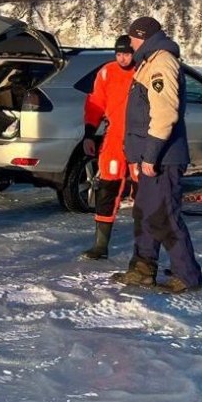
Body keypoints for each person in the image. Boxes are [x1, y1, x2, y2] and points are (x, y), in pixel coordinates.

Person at [112, 16, 202, 294]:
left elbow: (164, 114)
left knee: (165, 215)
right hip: (151, 157)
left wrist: (150, 156)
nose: (130, 43)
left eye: (132, 38)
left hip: (164, 158)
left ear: (142, 37)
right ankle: (142, 269)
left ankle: (187, 276)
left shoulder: (161, 62)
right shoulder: (149, 62)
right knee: (145, 214)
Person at [80, 35, 137, 259]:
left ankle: (144, 249)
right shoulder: (106, 72)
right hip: (113, 139)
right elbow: (95, 105)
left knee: (143, 193)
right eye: (119, 54)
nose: (122, 58)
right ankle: (100, 246)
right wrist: (89, 135)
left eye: (126, 53)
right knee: (107, 190)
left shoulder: (142, 71)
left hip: (139, 138)